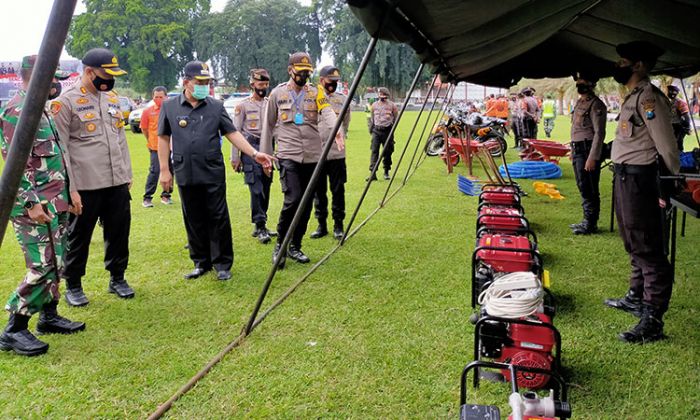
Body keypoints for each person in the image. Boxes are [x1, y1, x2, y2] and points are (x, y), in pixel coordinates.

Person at [158, 61, 275, 281]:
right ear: (186, 83)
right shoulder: (170, 106)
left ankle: (222, 263)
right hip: (185, 170)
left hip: (211, 170)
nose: (205, 86)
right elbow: (163, 138)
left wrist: (253, 153)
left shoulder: (215, 106)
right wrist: (165, 170)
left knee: (217, 216)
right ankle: (200, 262)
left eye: (207, 83)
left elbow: (232, 133)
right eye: (200, 82)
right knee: (193, 217)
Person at [0, 55, 85, 356]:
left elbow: (54, 158)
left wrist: (71, 192)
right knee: (43, 265)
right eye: (52, 79)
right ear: (33, 77)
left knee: (58, 262)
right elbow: (15, 163)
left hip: (55, 200)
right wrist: (31, 203)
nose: (57, 85)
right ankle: (14, 328)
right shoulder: (18, 111)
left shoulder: (40, 109)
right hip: (33, 206)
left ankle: (49, 316)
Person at [604, 41, 679, 344]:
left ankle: (653, 319)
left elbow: (666, 142)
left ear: (638, 66)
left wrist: (671, 177)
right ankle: (636, 296)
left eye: (623, 61)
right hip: (625, 177)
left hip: (640, 179)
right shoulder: (633, 97)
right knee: (632, 240)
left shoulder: (649, 99)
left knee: (648, 247)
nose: (618, 66)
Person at [52, 48, 135, 306]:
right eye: (106, 74)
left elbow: (121, 139)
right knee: (79, 237)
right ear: (89, 72)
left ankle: (117, 278)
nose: (110, 80)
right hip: (85, 184)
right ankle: (74, 284)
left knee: (119, 232)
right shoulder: (65, 102)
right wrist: (71, 189)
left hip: (116, 181)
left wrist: (127, 173)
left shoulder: (111, 98)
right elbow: (61, 148)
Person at [260, 52, 343, 267]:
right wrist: (266, 156)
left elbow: (328, 113)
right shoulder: (278, 94)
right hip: (288, 155)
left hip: (313, 156)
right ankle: (281, 244)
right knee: (293, 199)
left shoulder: (315, 93)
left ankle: (295, 245)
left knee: (305, 203)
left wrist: (338, 130)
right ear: (290, 70)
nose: (304, 76)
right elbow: (268, 127)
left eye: (308, 72)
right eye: (300, 72)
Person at [230, 68, 277, 244]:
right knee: (255, 188)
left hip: (268, 148)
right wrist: (235, 158)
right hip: (250, 149)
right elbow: (234, 132)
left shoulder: (271, 103)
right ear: (252, 84)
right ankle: (260, 224)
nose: (263, 87)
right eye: (260, 84)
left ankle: (261, 223)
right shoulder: (242, 106)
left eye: (266, 84)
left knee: (266, 187)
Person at [311, 65, 351, 240]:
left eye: (335, 82)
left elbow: (346, 121)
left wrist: (342, 135)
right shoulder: (311, 97)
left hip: (336, 152)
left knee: (338, 189)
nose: (333, 85)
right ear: (321, 80)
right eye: (330, 81)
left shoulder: (342, 99)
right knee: (318, 191)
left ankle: (338, 225)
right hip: (316, 152)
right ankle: (322, 225)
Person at [568, 73, 607, 235]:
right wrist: (572, 150)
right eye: (578, 84)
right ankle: (586, 220)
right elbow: (575, 129)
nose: (579, 87)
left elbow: (599, 133)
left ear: (591, 85)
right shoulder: (580, 102)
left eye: (582, 84)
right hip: (578, 149)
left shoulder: (596, 105)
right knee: (582, 185)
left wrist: (593, 157)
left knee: (589, 187)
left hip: (588, 149)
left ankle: (590, 224)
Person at [140, 86, 173, 207]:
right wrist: (150, 140)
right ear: (152, 97)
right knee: (155, 171)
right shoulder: (147, 111)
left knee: (170, 170)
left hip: (171, 147)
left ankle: (166, 195)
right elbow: (144, 128)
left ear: (166, 97)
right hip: (155, 147)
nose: (158, 99)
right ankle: (147, 197)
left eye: (161, 97)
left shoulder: (171, 110)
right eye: (156, 97)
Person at [368, 87, 398, 180]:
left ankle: (386, 172)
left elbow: (396, 117)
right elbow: (372, 118)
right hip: (376, 131)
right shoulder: (374, 105)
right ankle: (373, 174)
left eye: (383, 95)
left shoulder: (392, 105)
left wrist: (392, 129)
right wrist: (371, 129)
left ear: (387, 95)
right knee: (374, 151)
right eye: (380, 94)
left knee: (387, 152)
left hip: (387, 131)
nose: (382, 96)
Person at [666, 85, 691, 152]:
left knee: (678, 143)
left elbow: (686, 116)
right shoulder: (670, 102)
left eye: (671, 91)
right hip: (673, 126)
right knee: (673, 144)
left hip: (680, 126)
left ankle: (681, 158)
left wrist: (687, 128)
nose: (669, 93)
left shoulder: (680, 102)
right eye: (669, 91)